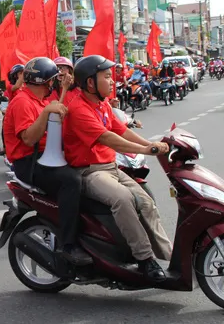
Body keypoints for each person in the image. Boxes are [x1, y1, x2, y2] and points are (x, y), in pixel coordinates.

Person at [64, 55, 173, 282]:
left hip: (111, 167)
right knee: (122, 199)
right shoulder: (78, 109)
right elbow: (107, 138)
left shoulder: (102, 104)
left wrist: (150, 144)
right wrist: (147, 150)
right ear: (90, 83)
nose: (112, 81)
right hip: (90, 172)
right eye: (106, 77)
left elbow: (121, 130)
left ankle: (170, 257)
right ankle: (145, 261)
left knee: (146, 203)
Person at [3, 57, 91, 266]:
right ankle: (69, 246)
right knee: (71, 181)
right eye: (52, 80)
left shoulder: (40, 99)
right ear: (45, 81)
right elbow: (28, 138)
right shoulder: (23, 102)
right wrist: (46, 112)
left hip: (43, 157)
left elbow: (55, 115)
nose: (55, 83)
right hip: (29, 162)